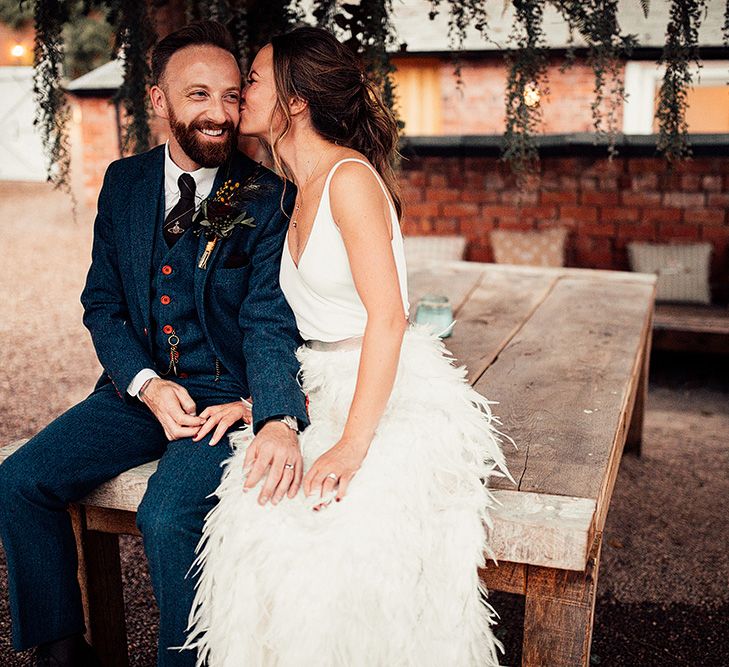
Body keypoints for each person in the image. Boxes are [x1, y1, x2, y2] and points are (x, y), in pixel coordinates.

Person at [182, 26, 512, 667]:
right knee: (256, 522)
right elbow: (297, 322)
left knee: (341, 541)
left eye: (252, 79)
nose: (238, 93)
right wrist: (260, 403)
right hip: (321, 381)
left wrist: (354, 446)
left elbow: (388, 320)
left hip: (382, 388)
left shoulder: (349, 180)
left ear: (295, 99)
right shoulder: (288, 187)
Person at [0, 21, 308, 667]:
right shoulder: (124, 183)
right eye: (198, 95)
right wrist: (144, 381)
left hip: (223, 398)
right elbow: (102, 305)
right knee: (19, 480)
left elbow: (268, 320)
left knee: (167, 518)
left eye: (230, 96)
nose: (219, 113)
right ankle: (60, 648)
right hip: (136, 389)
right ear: (158, 100)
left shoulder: (268, 197)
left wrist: (274, 411)